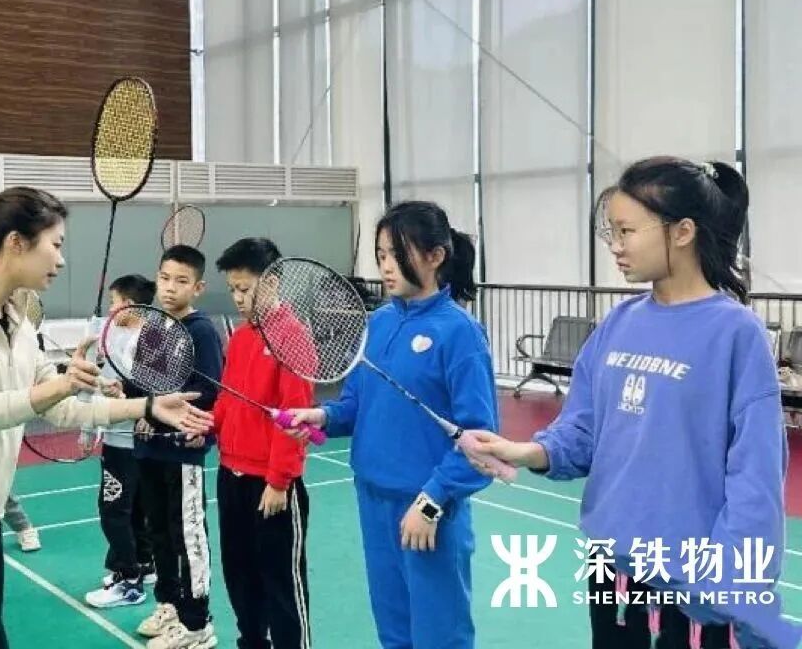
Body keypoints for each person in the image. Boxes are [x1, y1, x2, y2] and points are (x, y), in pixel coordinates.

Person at [462, 157, 800, 649]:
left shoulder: (735, 334)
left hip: (696, 586)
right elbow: (582, 430)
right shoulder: (617, 325)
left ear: (682, 232)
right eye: (612, 232)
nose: (615, 246)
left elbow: (755, 479)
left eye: (627, 231)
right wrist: (526, 451)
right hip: (613, 570)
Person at [0, 187, 211, 649]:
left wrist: (147, 407)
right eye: (56, 244)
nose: (61, 260)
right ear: (16, 243)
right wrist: (59, 385)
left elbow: (64, 408)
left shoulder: (18, 322)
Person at [289, 200, 499, 649]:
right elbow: (356, 403)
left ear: (436, 256)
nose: (386, 266)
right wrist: (323, 416)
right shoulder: (378, 323)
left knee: (440, 635)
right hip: (372, 498)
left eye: (397, 254)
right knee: (393, 630)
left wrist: (432, 503)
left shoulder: (460, 333)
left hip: (427, 508)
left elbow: (480, 441)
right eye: (381, 254)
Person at [213, 237, 315, 649]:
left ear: (271, 283)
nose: (238, 298)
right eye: (232, 289)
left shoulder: (293, 337)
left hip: (270, 485)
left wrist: (278, 480)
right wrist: (207, 425)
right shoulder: (240, 337)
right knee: (239, 576)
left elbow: (295, 417)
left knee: (281, 586)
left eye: (245, 288)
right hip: (230, 476)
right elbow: (227, 399)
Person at [134, 246, 224, 649]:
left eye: (181, 281)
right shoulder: (153, 326)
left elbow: (207, 392)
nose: (170, 288)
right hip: (149, 448)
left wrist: (163, 416)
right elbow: (141, 382)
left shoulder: (201, 331)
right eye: (165, 278)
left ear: (198, 288)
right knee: (158, 532)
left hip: (182, 450)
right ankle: (169, 603)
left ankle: (197, 621)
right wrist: (130, 400)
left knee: (187, 534)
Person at [85, 274, 158, 608]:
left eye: (114, 302)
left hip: (127, 440)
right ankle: (143, 563)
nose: (111, 308)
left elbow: (156, 386)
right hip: (118, 433)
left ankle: (128, 581)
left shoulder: (149, 340)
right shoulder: (114, 332)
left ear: (128, 305)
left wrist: (141, 408)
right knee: (136, 509)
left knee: (113, 510)